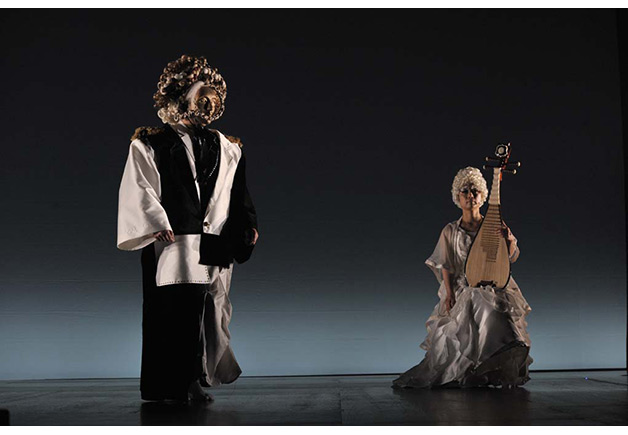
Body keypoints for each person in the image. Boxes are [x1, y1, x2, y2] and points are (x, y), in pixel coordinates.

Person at [117, 55, 258, 402]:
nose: (206, 104)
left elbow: (237, 193)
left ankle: (198, 377)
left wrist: (248, 226)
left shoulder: (228, 147)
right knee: (174, 313)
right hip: (174, 242)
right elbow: (140, 185)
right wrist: (156, 223)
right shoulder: (151, 143)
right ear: (180, 97)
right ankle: (173, 383)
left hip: (214, 239)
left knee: (212, 312)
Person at [393, 167, 532, 389]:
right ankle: (472, 369)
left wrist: (508, 240)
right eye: (465, 191)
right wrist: (449, 293)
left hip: (493, 285)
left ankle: (503, 350)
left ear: (483, 196)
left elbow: (510, 258)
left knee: (493, 303)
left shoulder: (494, 226)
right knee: (474, 299)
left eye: (475, 191)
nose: (470, 195)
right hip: (462, 287)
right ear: (457, 197)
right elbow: (446, 264)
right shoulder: (450, 230)